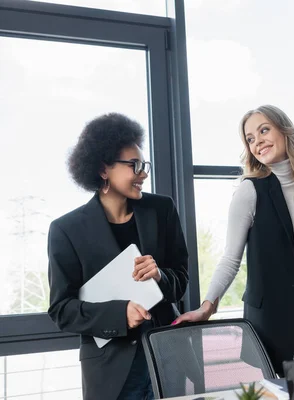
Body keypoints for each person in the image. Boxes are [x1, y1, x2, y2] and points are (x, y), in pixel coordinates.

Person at [173, 105, 294, 374]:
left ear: (285, 130)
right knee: (283, 389)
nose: (258, 142)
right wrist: (208, 306)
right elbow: (231, 259)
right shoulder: (250, 190)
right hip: (274, 313)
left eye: (264, 130)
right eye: (250, 139)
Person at [47, 113, 189, 400]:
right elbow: (61, 310)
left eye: (144, 165)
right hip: (111, 370)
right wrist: (119, 314)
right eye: (134, 165)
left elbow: (182, 281)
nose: (143, 173)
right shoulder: (66, 230)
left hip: (168, 356)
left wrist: (160, 275)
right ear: (103, 169)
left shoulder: (162, 210)